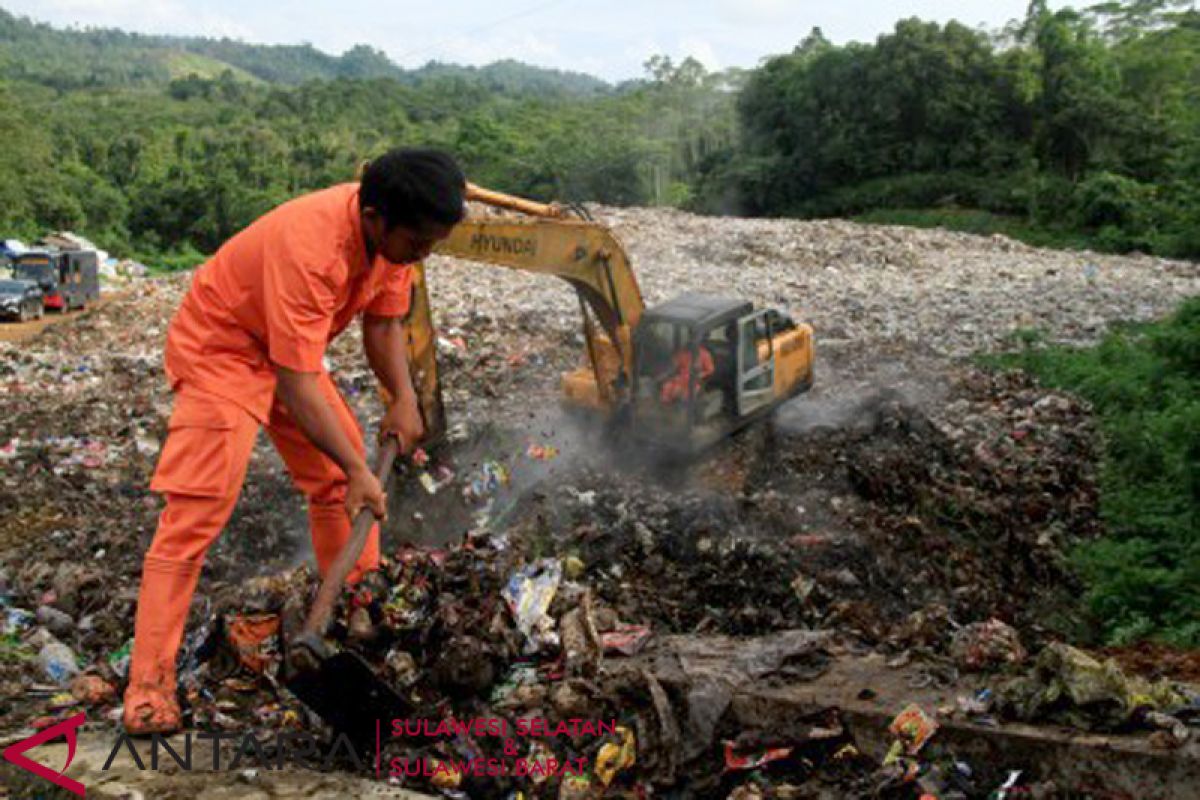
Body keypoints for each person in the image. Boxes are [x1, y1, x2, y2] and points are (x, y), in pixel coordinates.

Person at [122, 148, 466, 735]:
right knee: (199, 508)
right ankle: (147, 688)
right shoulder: (312, 249)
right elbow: (300, 383)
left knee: (338, 481)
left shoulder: (395, 240)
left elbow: (383, 323)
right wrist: (361, 468)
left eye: (432, 244)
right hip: (223, 349)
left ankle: (357, 616)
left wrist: (403, 397)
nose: (423, 254)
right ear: (376, 216)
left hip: (283, 354)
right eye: (418, 243)